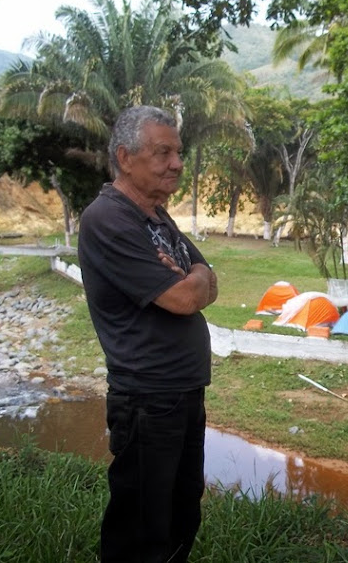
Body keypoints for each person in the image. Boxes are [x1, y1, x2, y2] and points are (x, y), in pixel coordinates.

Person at [78, 105, 218, 563]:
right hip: (147, 398)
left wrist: (192, 278)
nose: (177, 163)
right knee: (140, 526)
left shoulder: (157, 217)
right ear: (125, 156)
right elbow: (182, 299)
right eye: (163, 152)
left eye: (178, 152)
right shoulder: (109, 218)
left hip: (182, 392)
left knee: (181, 512)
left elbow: (207, 278)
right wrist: (191, 283)